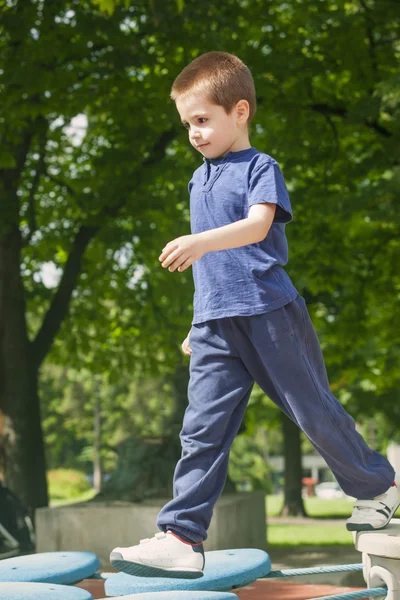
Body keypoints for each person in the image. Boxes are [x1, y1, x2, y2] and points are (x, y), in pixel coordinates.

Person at [110, 51, 399, 578]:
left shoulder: (260, 167)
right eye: (187, 125)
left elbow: (258, 227)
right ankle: (180, 536)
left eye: (202, 120)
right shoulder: (198, 181)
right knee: (201, 430)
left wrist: (198, 241)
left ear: (239, 111)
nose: (194, 134)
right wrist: (197, 323)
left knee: (311, 410)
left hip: (270, 312)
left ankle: (377, 485)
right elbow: (212, 268)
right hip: (216, 324)